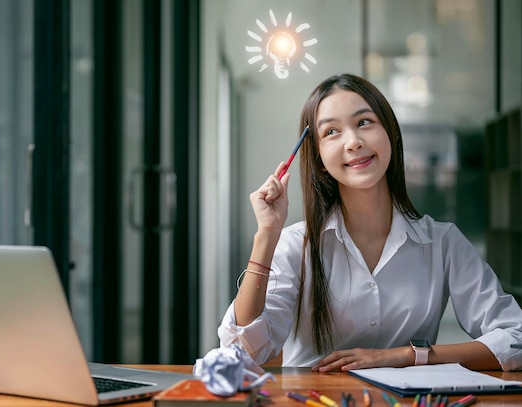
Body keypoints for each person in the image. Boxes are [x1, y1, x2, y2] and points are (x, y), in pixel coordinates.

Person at [217, 73, 522, 372]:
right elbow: (240, 353)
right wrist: (267, 234)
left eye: (364, 122)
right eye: (331, 132)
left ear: (392, 133)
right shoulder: (296, 244)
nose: (353, 142)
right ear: (320, 159)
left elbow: (516, 339)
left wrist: (407, 356)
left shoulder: (443, 243)